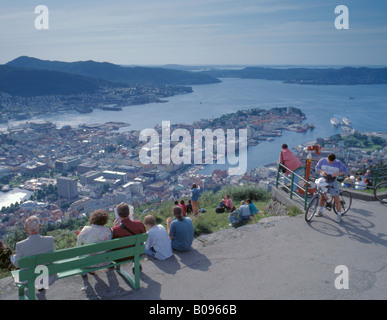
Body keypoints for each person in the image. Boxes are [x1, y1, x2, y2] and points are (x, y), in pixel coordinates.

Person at [12, 215, 56, 289]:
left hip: (29, 278)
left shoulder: (19, 245)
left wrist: (13, 259)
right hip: (49, 277)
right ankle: (41, 286)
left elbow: (17, 264)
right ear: (39, 226)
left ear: (26, 229)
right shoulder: (50, 240)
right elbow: (54, 258)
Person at [77, 209, 112, 276]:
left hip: (86, 262)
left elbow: (78, 245)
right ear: (105, 220)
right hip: (104, 261)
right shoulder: (108, 231)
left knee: (85, 254)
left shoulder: (85, 229)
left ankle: (85, 271)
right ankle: (92, 269)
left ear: (92, 219)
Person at [315, 153, 348, 222]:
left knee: (336, 199)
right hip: (324, 179)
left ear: (334, 160)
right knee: (322, 197)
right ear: (327, 158)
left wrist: (337, 173)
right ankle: (320, 211)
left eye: (332, 162)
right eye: (329, 161)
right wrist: (322, 171)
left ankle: (339, 215)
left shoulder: (338, 163)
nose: (330, 163)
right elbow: (317, 167)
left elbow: (345, 171)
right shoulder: (322, 160)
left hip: (333, 181)